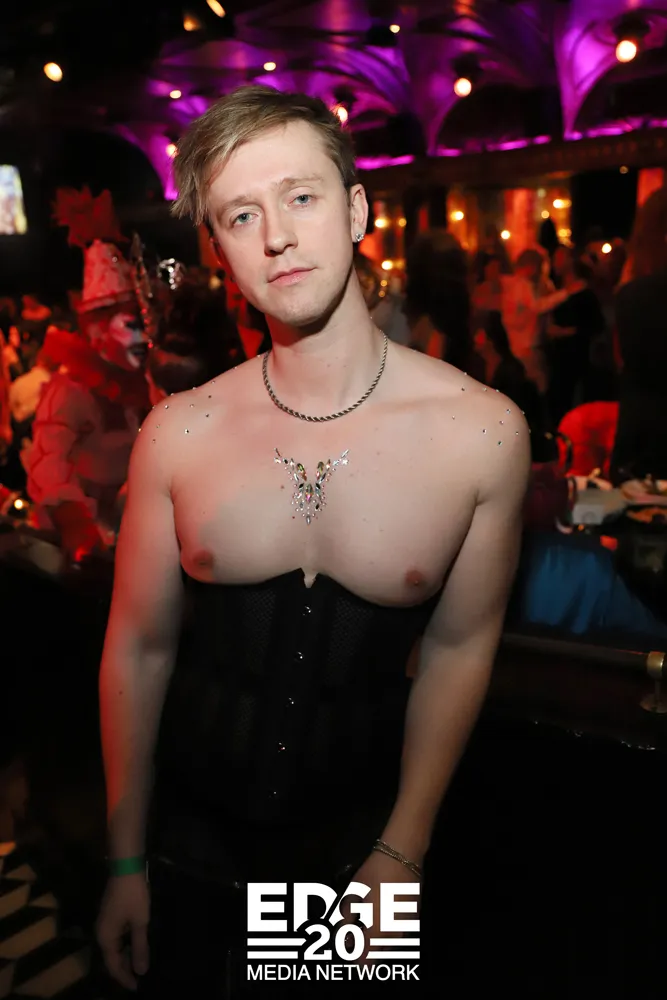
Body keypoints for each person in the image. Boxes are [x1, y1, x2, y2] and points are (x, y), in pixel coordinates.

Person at [96, 84, 530, 996]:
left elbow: (459, 649)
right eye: (240, 215)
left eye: (300, 196)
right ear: (218, 250)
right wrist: (125, 859)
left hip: (359, 859)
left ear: (357, 209)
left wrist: (403, 852)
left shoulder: (481, 433)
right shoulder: (178, 431)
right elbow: (137, 649)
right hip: (184, 846)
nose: (277, 237)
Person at [23, 188, 150, 559]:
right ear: (96, 330)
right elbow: (48, 462)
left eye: (143, 324)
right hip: (84, 548)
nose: (141, 338)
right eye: (129, 325)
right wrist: (77, 524)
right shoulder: (70, 389)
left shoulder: (143, 383)